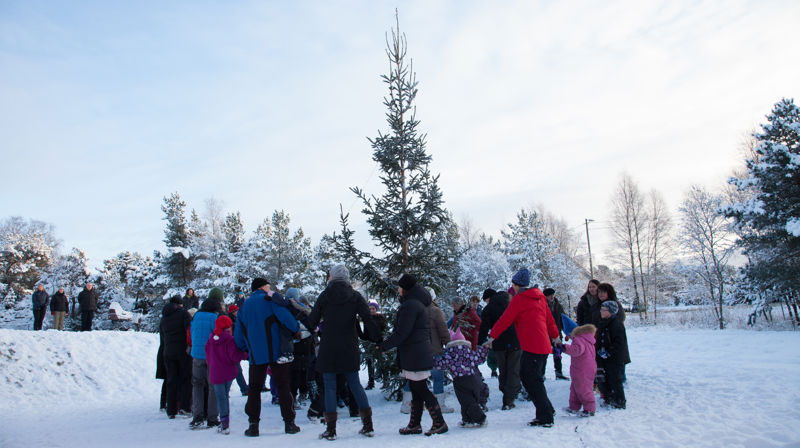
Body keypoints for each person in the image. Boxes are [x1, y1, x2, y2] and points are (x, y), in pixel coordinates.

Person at [305, 264, 379, 440]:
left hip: (329, 347)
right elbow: (368, 319)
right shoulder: (355, 296)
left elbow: (312, 321)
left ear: (332, 277)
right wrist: (378, 339)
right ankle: (368, 426)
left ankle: (331, 430)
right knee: (355, 384)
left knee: (330, 386)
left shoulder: (324, 296)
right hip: (349, 346)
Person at [486, 268, 559, 428]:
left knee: (531, 381)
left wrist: (492, 336)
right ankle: (547, 410)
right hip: (543, 345)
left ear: (517, 284)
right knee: (534, 380)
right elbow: (550, 320)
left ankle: (546, 416)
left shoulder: (520, 299)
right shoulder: (540, 298)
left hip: (531, 346)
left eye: (513, 284)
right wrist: (555, 336)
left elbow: (505, 320)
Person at [379, 273, 448, 436]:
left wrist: (384, 346)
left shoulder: (411, 305)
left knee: (421, 389)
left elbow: (402, 332)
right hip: (417, 352)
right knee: (417, 390)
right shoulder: (417, 303)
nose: (398, 289)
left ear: (405, 288)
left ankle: (440, 422)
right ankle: (414, 425)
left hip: (415, 353)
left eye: (400, 286)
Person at [234, 278, 301, 437]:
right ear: (263, 287)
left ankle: (253, 425)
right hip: (276, 352)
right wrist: (295, 329)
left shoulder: (244, 307)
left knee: (254, 389)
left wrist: (246, 347)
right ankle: (289, 423)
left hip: (255, 355)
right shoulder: (270, 300)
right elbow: (289, 321)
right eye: (268, 286)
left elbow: (238, 335)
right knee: (283, 387)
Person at [434, 329, 489, 428]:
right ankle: (467, 420)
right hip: (473, 379)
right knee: (471, 400)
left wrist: (432, 359)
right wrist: (484, 348)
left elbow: (441, 364)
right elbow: (480, 357)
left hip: (460, 381)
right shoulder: (469, 351)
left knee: (466, 401)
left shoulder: (450, 353)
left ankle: (481, 418)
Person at [478, 288, 521, 410]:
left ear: (488, 298)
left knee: (503, 369)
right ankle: (510, 398)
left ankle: (506, 394)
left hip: (499, 343)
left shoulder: (488, 309)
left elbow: (484, 328)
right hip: (516, 341)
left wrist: (480, 342)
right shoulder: (511, 303)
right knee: (513, 370)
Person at [206, 314, 249, 435]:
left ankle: (224, 422)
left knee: (221, 397)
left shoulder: (210, 339)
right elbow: (234, 357)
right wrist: (245, 355)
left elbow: (208, 356)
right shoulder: (230, 339)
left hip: (215, 372)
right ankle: (225, 422)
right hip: (228, 372)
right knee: (224, 396)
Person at [189, 296, 222, 429]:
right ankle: (212, 417)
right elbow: (217, 337)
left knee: (197, 385)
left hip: (197, 354)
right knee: (213, 386)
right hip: (211, 356)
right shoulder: (214, 319)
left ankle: (197, 415)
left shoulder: (196, 317)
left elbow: (191, 333)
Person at [160, 295, 192, 419]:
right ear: (180, 304)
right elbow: (189, 331)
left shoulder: (164, 317)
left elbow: (162, 336)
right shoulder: (183, 314)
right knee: (185, 379)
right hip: (182, 351)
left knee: (171, 380)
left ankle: (171, 409)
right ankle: (184, 407)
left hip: (168, 351)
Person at [596, 301, 630, 409]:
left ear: (610, 311)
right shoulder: (602, 323)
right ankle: (608, 398)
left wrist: (609, 352)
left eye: (604, 310)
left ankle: (619, 401)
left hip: (614, 358)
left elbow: (619, 343)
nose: (601, 311)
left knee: (615, 379)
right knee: (604, 379)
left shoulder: (616, 324)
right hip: (603, 357)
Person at [561, 324, 597, 417]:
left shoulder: (579, 339)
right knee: (575, 388)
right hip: (583, 368)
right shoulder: (586, 338)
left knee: (584, 389)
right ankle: (574, 406)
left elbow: (576, 350)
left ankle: (589, 409)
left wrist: (564, 348)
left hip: (583, 369)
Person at [543, 288, 568, 380]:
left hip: (557, 333)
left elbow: (563, 318)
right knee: (543, 354)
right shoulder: (542, 305)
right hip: (545, 334)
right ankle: (542, 373)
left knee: (557, 354)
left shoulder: (558, 305)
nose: (552, 297)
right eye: (550, 295)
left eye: (553, 295)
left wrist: (566, 331)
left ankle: (559, 372)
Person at [363, 301, 388, 391]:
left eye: (373, 309)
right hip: (369, 345)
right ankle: (371, 381)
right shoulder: (367, 319)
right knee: (370, 363)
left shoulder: (381, 318)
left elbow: (384, 332)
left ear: (376, 309)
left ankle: (386, 381)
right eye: (369, 309)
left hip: (379, 344)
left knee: (382, 363)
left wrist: (382, 344)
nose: (371, 310)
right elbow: (365, 333)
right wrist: (365, 343)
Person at [226, 304, 248, 396]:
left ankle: (243, 388)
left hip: (233, 348)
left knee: (235, 370)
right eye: (236, 311)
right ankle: (243, 388)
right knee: (235, 370)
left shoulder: (235, 321)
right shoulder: (232, 323)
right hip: (232, 348)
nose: (237, 312)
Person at [480, 289, 498, 378]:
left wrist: (480, 341)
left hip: (494, 335)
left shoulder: (488, 309)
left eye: (486, 301)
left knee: (493, 354)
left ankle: (494, 369)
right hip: (510, 338)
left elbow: (484, 326)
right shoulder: (507, 304)